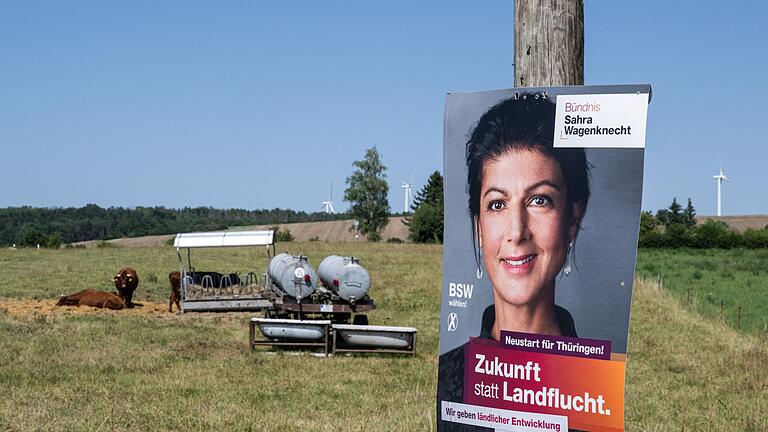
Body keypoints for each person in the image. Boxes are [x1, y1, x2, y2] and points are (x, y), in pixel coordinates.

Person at [437, 92, 591, 431]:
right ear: (478, 226)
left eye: (539, 200)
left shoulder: (595, 382)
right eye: (496, 204)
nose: (517, 231)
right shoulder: (449, 375)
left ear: (572, 219)